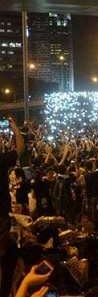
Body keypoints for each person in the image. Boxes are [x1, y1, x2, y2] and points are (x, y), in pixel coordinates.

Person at [0, 117, 24, 297]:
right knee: (8, 254)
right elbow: (20, 149)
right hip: (1, 216)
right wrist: (15, 128)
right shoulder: (1, 160)